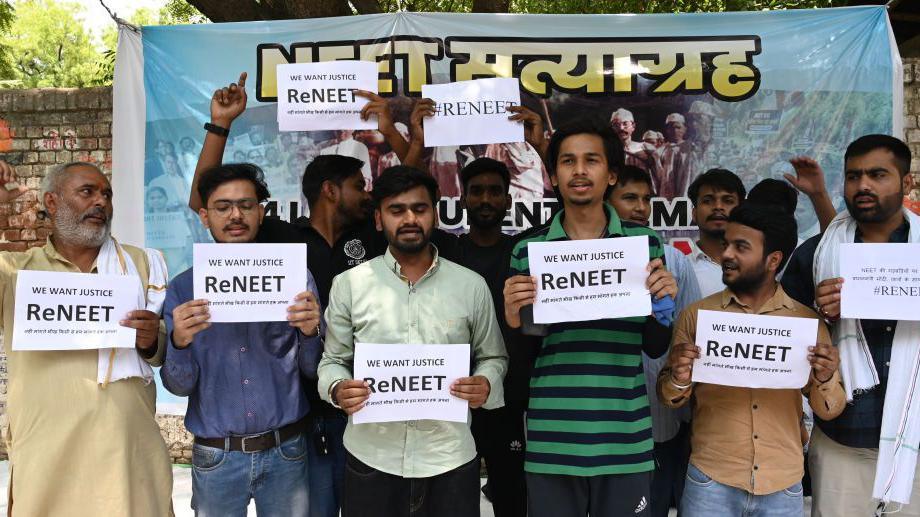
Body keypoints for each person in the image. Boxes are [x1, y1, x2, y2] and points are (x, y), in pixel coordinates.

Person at [187, 72, 458, 517]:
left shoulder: (371, 239)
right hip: (305, 412)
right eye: (359, 185)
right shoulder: (280, 240)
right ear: (331, 191)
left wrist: (396, 131)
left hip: (370, 398)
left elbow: (408, 189)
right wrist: (220, 125)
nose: (369, 193)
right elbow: (206, 199)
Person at [504, 120, 677, 517]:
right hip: (552, 444)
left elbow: (653, 347)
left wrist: (662, 307)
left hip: (625, 443)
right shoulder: (528, 250)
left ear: (611, 174)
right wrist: (513, 320)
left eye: (591, 161)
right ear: (552, 175)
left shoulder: (644, 244)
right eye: (567, 161)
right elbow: (526, 356)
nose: (579, 171)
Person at [318, 166, 508, 517]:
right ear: (378, 219)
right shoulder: (349, 284)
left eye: (419, 209)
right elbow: (332, 362)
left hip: (450, 459)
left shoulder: (471, 286)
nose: (409, 219)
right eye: (396, 210)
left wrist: (485, 383)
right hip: (371, 458)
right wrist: (336, 388)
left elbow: (494, 356)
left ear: (434, 215)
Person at [0, 160, 173, 515]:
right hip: (46, 459)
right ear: (52, 202)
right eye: (87, 192)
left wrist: (152, 338)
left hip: (127, 457)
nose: (101, 203)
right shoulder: (18, 273)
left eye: (106, 195)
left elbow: (166, 351)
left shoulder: (140, 265)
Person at [659, 202, 845, 517]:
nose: (727, 254)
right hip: (711, 480)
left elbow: (830, 410)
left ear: (773, 260)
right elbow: (669, 399)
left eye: (740, 247)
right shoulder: (698, 316)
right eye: (726, 244)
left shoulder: (806, 323)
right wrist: (679, 375)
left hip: (782, 484)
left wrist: (826, 377)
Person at [162, 163, 322, 516]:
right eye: (222, 207)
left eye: (246, 205)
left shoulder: (294, 278)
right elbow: (177, 385)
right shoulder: (183, 289)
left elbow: (312, 372)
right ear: (204, 216)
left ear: (261, 213)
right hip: (216, 455)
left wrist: (312, 333)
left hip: (287, 450)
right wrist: (180, 342)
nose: (236, 215)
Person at [781, 134, 920, 515]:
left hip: (916, 439)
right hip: (843, 440)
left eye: (878, 175)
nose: (863, 186)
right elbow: (783, 332)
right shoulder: (817, 253)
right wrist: (818, 315)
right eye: (853, 176)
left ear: (907, 182)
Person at [607, 165, 702, 517]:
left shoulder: (674, 260)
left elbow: (690, 338)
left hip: (660, 418)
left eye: (646, 199)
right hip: (603, 419)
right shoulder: (577, 260)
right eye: (629, 198)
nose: (640, 208)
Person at [455, 157, 530, 517]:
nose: (485, 199)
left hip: (507, 396)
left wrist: (541, 144)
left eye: (495, 192)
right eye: (477, 191)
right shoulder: (445, 253)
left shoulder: (522, 252)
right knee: (453, 497)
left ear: (508, 201)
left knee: (512, 495)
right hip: (449, 395)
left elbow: (570, 209)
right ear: (463, 199)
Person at [686, 168, 746, 297]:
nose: (718, 207)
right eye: (707, 201)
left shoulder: (760, 268)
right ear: (694, 213)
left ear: (742, 210)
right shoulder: (681, 270)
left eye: (728, 201)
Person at [609, 108, 661, 176]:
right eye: (616, 125)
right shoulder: (608, 150)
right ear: (612, 128)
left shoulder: (645, 148)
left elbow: (660, 176)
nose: (621, 128)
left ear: (633, 126)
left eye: (625, 124)